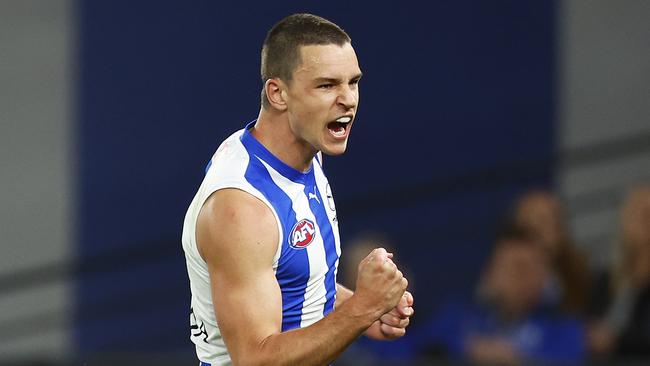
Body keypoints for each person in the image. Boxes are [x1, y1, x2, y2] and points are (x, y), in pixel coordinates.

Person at [181, 14, 414, 366]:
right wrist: (363, 309)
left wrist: (364, 307)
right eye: (326, 86)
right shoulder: (241, 209)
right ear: (278, 93)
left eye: (353, 82)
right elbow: (256, 360)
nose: (348, 99)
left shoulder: (300, 152)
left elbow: (291, 275)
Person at [419, 227, 584, 365]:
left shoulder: (564, 330)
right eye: (513, 268)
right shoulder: (459, 317)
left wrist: (516, 360)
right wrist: (467, 348)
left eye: (530, 268)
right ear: (490, 272)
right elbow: (419, 345)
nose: (525, 277)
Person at [587, 185, 650, 360]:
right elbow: (593, 331)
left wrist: (618, 340)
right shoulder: (605, 280)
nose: (647, 225)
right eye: (643, 216)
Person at [512, 190, 590, 315]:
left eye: (554, 221)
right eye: (539, 221)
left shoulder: (581, 275)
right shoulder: (502, 279)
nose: (546, 230)